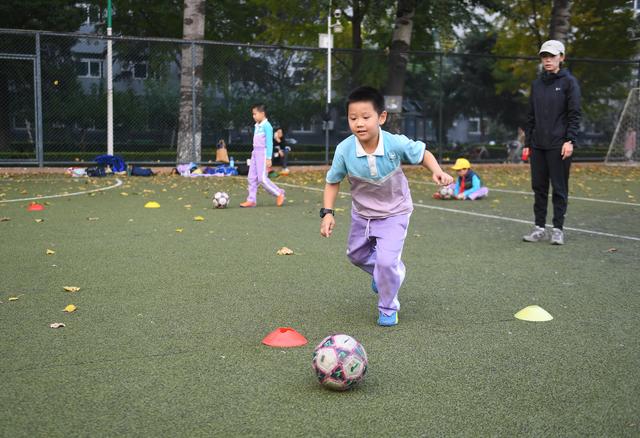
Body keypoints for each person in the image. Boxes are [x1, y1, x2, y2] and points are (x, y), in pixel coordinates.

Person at [319, 86, 453, 327]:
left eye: (365, 117)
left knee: (387, 262)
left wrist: (438, 171)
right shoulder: (344, 150)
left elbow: (423, 154)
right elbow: (332, 182)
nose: (359, 123)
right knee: (356, 255)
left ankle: (388, 306)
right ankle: (385, 275)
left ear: (381, 117)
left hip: (395, 213)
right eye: (353, 118)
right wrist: (327, 213)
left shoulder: (394, 143)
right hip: (362, 215)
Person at [522, 40, 581, 245]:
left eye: (552, 56)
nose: (548, 60)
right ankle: (539, 227)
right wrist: (528, 143)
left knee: (559, 187)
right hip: (538, 145)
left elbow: (574, 114)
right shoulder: (537, 84)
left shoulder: (569, 82)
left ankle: (558, 229)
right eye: (544, 56)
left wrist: (570, 140)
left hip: (559, 145)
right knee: (539, 187)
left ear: (561, 58)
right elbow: (530, 116)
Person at [239, 103, 285, 208]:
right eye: (253, 114)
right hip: (255, 153)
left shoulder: (267, 126)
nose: (253, 116)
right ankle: (251, 200)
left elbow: (269, 142)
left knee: (262, 179)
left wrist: (269, 158)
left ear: (262, 113)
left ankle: (279, 193)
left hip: (263, 154)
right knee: (251, 178)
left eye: (255, 114)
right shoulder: (257, 126)